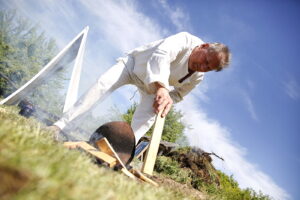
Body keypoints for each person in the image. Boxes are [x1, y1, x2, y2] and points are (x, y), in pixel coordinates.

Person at [50, 32, 231, 143]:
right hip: (133, 66)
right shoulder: (185, 40)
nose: (204, 67)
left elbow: (179, 95)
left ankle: (118, 153)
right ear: (204, 46)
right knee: (101, 85)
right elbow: (160, 55)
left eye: (209, 68)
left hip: (152, 89)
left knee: (148, 118)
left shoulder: (198, 77)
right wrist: (162, 87)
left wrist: (166, 101)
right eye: (206, 61)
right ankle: (59, 127)